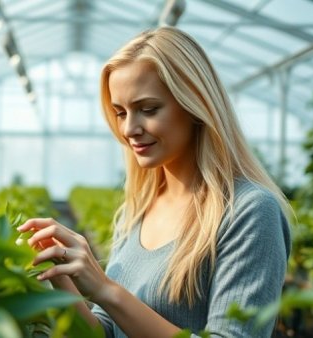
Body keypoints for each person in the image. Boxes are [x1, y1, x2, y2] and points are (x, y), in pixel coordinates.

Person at [17, 26, 292, 338]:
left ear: (195, 105)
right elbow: (106, 333)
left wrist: (106, 289)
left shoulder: (249, 212)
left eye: (148, 109)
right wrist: (59, 276)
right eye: (120, 113)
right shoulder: (140, 208)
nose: (129, 129)